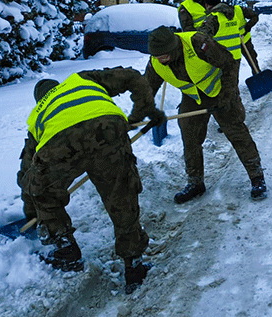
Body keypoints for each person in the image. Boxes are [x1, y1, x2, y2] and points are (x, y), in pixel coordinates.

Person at [17, 68, 166, 294]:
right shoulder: (81, 80)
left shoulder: (38, 115)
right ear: (58, 86)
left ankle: (66, 250)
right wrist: (143, 109)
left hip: (59, 144)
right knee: (121, 195)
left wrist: (34, 211)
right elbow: (133, 77)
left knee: (44, 191)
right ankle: (134, 265)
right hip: (107, 129)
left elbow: (28, 175)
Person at [142, 25, 266, 202]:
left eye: (164, 56)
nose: (161, 61)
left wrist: (227, 96)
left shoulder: (197, 42)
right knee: (190, 136)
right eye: (158, 57)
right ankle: (195, 182)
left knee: (236, 132)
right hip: (193, 97)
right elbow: (147, 88)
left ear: (173, 47)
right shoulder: (155, 61)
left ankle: (257, 177)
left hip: (220, 90)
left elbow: (229, 63)